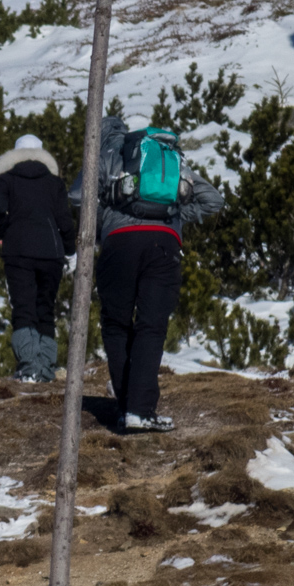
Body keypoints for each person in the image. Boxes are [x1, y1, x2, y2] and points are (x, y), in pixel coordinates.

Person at [75, 115, 224, 432]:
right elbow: (213, 200)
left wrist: (107, 218)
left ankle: (127, 406)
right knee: (151, 326)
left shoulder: (109, 156)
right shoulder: (170, 159)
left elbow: (77, 197)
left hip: (118, 245)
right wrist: (176, 216)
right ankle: (140, 411)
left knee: (116, 325)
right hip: (163, 245)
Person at [0, 133, 76, 383]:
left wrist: (3, 231)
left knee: (24, 308)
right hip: (52, 252)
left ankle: (29, 366)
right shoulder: (54, 183)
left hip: (18, 251)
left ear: (14, 155)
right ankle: (46, 366)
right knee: (45, 309)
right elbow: (64, 221)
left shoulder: (6, 180)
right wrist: (69, 249)